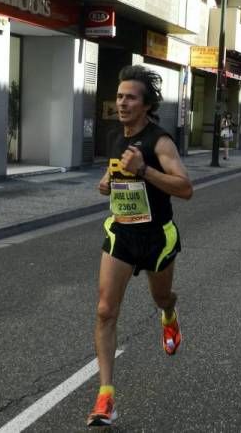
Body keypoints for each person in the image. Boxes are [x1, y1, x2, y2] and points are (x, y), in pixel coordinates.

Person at [88, 65, 193, 427]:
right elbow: (119, 173)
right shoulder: (116, 138)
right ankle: (105, 397)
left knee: (161, 297)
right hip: (122, 233)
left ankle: (169, 314)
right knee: (105, 310)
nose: (122, 102)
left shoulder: (160, 141)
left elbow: (185, 188)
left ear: (146, 105)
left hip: (156, 238)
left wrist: (145, 170)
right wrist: (108, 180)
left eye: (130, 97)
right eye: (119, 96)